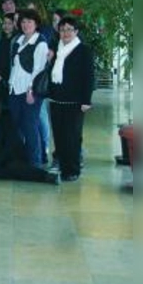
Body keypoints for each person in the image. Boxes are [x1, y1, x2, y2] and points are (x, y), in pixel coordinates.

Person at [48, 17, 95, 182]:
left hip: (75, 102)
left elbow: (89, 77)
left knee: (73, 137)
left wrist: (86, 100)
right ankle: (63, 166)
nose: (65, 33)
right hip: (56, 100)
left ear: (76, 32)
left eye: (69, 29)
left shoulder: (84, 50)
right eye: (62, 30)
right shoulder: (56, 49)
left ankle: (72, 170)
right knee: (59, 136)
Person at [0, 98, 60, 184]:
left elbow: (9, 146)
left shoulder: (6, 119)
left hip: (12, 156)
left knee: (13, 168)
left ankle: (46, 176)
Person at [7, 9, 49, 167]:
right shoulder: (18, 40)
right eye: (23, 22)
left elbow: (39, 69)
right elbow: (14, 67)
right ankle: (20, 158)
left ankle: (35, 163)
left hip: (29, 92)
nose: (26, 25)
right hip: (14, 90)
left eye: (29, 22)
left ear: (36, 24)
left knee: (30, 127)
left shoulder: (41, 42)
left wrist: (31, 90)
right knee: (16, 126)